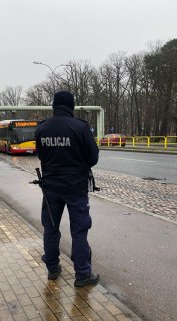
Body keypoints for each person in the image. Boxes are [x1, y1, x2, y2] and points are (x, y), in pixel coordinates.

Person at [35, 91, 100, 287]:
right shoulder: (80, 127)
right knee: (79, 230)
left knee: (51, 228)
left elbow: (40, 155)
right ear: (71, 106)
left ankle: (53, 269)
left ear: (54, 106)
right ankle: (82, 274)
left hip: (51, 188)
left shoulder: (42, 129)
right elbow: (93, 158)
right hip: (75, 188)